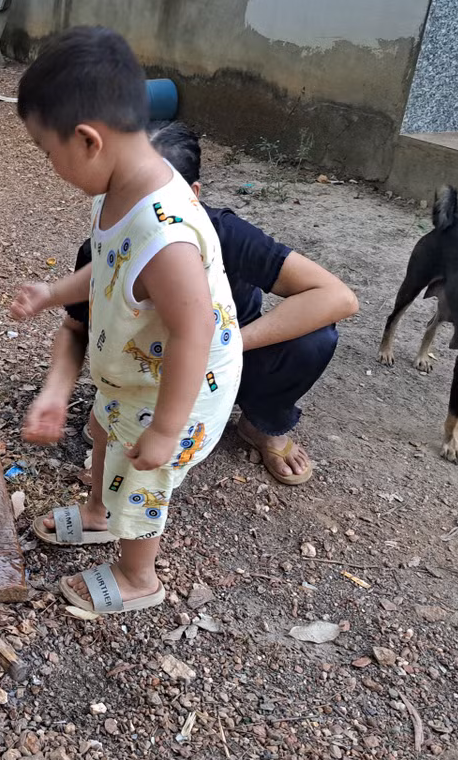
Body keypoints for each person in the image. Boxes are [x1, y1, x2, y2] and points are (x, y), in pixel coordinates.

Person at [9, 27, 243, 614]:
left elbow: (195, 329)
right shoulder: (117, 188)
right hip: (136, 373)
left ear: (88, 140)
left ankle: (138, 575)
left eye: (47, 152)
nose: (47, 165)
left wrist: (166, 431)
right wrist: (53, 291)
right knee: (101, 432)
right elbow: (108, 268)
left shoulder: (165, 236)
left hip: (182, 388)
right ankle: (95, 513)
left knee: (142, 479)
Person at [24, 121, 359, 499]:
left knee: (315, 336)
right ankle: (111, 445)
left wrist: (222, 349)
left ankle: (264, 420)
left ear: (192, 196)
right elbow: (75, 327)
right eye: (120, 192)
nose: (132, 214)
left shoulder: (224, 233)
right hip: (143, 373)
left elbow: (338, 297)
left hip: (229, 357)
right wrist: (55, 392)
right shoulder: (108, 243)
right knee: (112, 444)